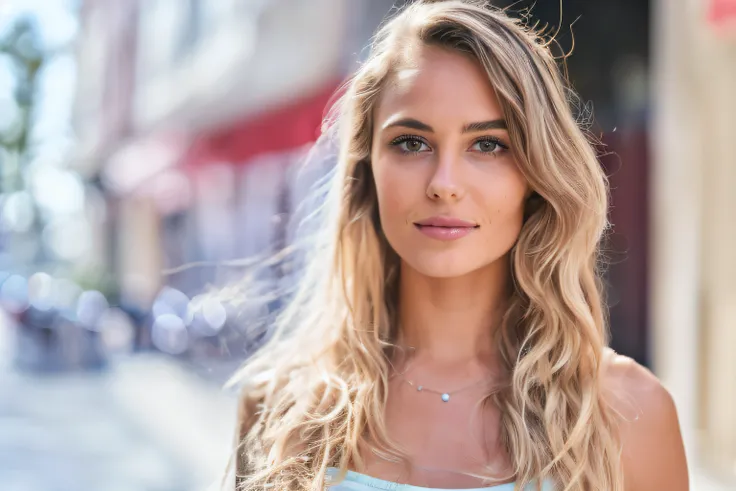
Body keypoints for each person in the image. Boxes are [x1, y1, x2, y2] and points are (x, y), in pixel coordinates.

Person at [227, 1, 689, 490]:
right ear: (368, 169)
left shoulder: (629, 411)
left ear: (535, 175)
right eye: (411, 143)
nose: (444, 184)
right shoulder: (280, 408)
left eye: (487, 145)